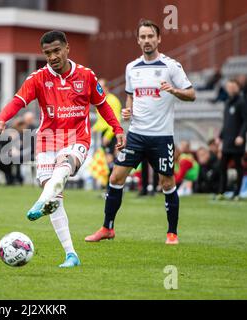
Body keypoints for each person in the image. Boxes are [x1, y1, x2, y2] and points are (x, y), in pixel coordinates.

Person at [0, 30, 124, 267]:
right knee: (55, 198)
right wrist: (2, 118)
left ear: (67, 48)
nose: (52, 56)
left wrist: (118, 130)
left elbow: (102, 105)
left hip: (77, 138)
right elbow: (17, 101)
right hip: (47, 140)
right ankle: (71, 254)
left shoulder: (86, 76)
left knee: (64, 167)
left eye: (56, 51)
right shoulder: (38, 78)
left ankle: (40, 202)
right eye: (47, 53)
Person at [85, 19, 196, 245]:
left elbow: (191, 94)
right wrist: (128, 111)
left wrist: (173, 90)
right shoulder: (131, 68)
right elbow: (130, 95)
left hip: (162, 136)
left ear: (158, 39)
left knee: (167, 183)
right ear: (138, 40)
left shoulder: (171, 66)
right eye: (143, 37)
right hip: (136, 134)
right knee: (115, 177)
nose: (147, 40)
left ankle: (172, 233)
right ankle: (107, 228)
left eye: (150, 36)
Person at [215, 78, 247, 201]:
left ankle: (237, 193)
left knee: (238, 167)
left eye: (232, 87)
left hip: (237, 141)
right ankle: (221, 192)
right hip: (227, 141)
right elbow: (226, 123)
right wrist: (220, 137)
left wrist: (241, 135)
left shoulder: (242, 102)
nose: (230, 89)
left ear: (237, 88)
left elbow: (245, 121)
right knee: (222, 167)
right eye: (228, 87)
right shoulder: (227, 102)